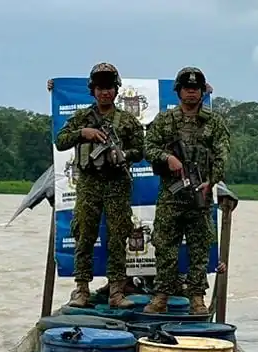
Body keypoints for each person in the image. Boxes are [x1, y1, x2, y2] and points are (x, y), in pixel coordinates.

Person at [53, 63, 146, 309]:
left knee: (117, 237)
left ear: (116, 90)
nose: (105, 92)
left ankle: (116, 291)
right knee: (84, 235)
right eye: (100, 88)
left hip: (117, 184)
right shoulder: (82, 118)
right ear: (93, 91)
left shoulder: (127, 121)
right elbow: (60, 141)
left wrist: (124, 154)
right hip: (89, 184)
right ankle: (82, 289)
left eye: (109, 88)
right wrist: (83, 133)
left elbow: (141, 150)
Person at [143, 66, 231, 315]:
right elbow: (148, 147)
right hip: (171, 194)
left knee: (199, 248)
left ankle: (196, 298)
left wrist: (211, 181)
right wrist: (167, 158)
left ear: (202, 92)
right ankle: (161, 296)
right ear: (179, 91)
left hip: (200, 194)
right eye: (187, 88)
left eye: (195, 89)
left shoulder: (213, 122)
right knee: (165, 246)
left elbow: (222, 155)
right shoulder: (165, 120)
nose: (191, 92)